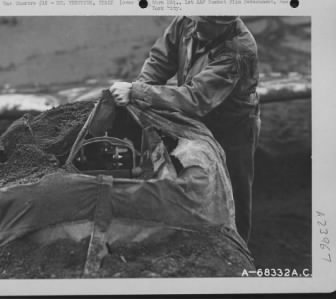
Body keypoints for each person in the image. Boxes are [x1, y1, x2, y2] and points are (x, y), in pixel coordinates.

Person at [109, 16, 260, 243]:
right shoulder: (188, 20)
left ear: (225, 23)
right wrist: (139, 95)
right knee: (190, 178)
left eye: (205, 22)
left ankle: (237, 254)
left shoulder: (239, 49)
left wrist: (138, 92)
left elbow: (197, 97)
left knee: (232, 192)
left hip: (231, 127)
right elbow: (160, 60)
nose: (196, 27)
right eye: (195, 18)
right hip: (192, 116)